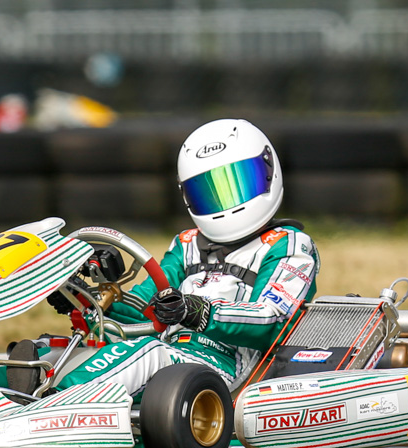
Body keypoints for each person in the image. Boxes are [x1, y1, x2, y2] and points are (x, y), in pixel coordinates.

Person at [32, 118, 319, 397]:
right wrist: (85, 300)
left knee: (147, 353)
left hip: (228, 367)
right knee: (52, 348)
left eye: (238, 183)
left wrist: (199, 312)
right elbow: (143, 309)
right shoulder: (187, 244)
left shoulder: (289, 245)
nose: (226, 203)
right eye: (210, 192)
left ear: (268, 171)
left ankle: (56, 400)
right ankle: (15, 392)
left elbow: (274, 318)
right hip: (171, 353)